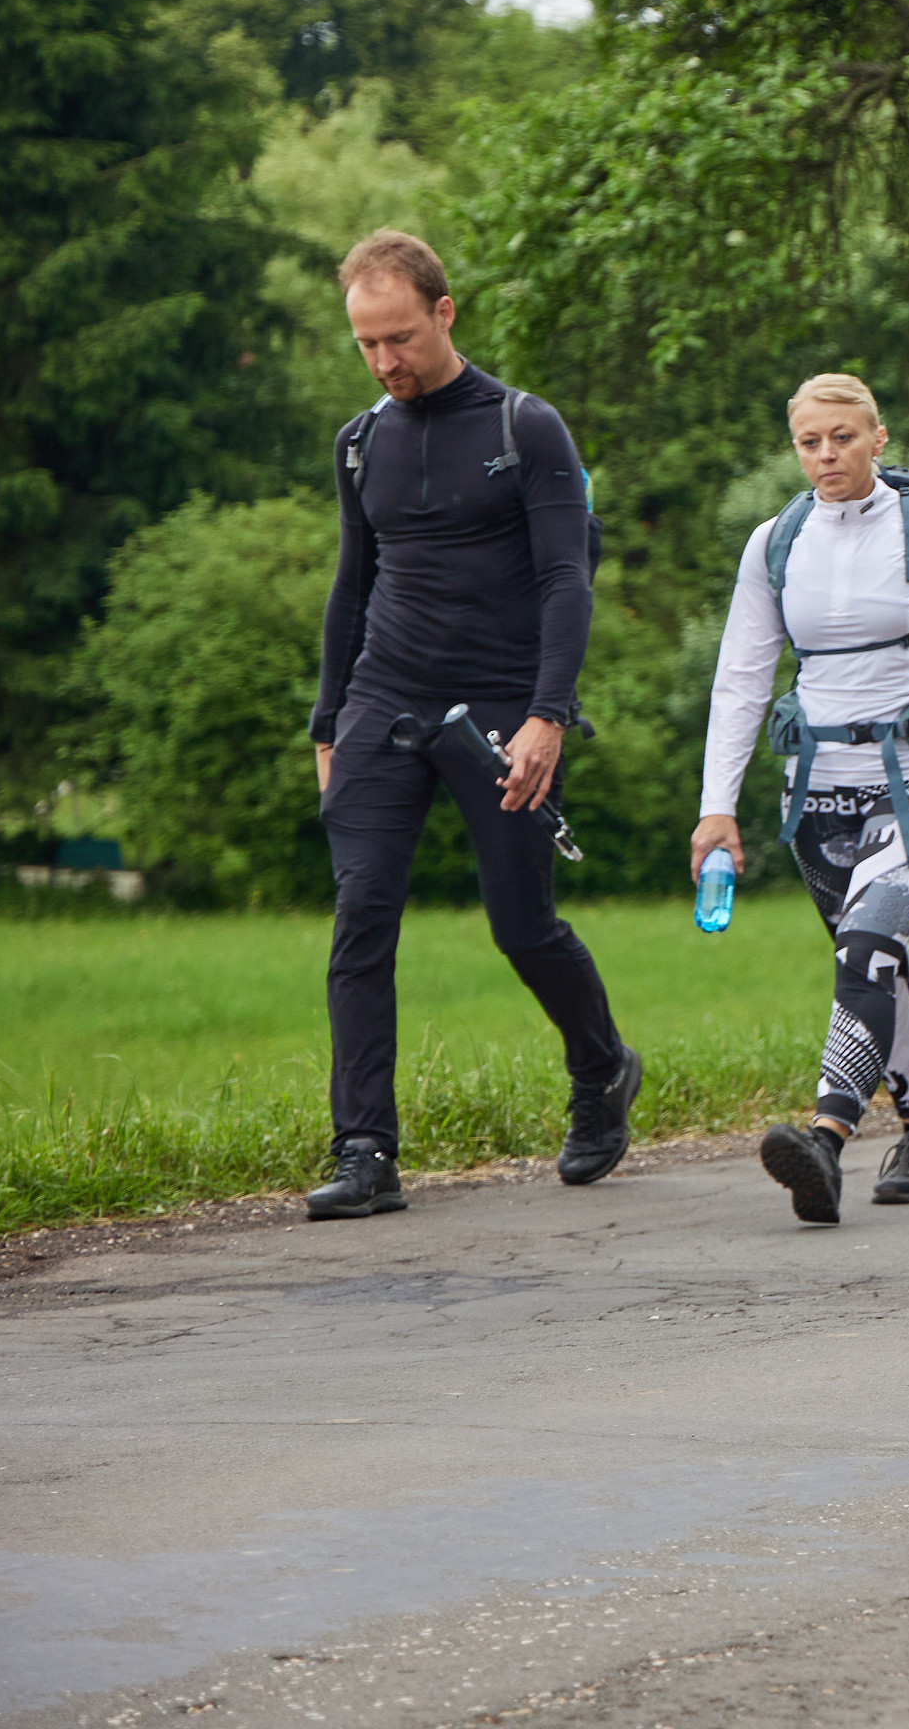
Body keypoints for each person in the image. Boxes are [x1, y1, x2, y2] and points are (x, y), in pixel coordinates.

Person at [305, 231, 639, 1220]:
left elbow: (567, 580)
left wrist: (549, 716)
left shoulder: (523, 426)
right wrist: (328, 723)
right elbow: (350, 587)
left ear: (445, 314)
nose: (384, 362)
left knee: (520, 925)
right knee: (362, 912)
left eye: (399, 337)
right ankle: (365, 1149)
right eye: (365, 344)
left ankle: (602, 1068)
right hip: (382, 697)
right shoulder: (362, 439)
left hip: (500, 704)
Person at [697, 375, 909, 1224]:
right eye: (810, 441)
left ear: (878, 437)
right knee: (871, 962)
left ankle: (827, 1136)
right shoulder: (775, 543)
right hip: (817, 793)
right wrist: (717, 806)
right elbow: (739, 680)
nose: (826, 456)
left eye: (842, 438)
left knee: (869, 941)